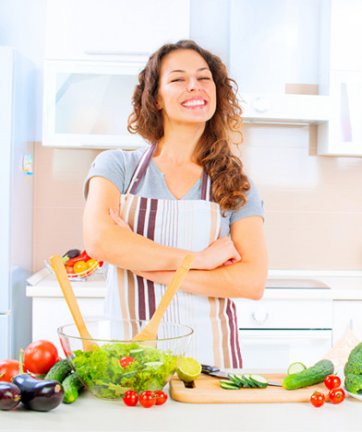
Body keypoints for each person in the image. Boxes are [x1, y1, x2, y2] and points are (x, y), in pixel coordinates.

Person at [82, 40, 268, 368]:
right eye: (178, 79)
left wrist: (143, 265)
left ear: (216, 93)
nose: (194, 85)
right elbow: (100, 241)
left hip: (211, 362)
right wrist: (200, 260)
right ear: (156, 98)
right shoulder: (117, 167)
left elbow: (251, 281)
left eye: (204, 77)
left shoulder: (236, 185)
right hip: (132, 360)